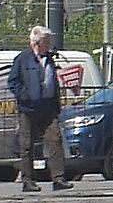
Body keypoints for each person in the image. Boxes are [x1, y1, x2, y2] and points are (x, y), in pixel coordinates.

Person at [6, 27, 72, 193]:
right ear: (37, 43)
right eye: (46, 41)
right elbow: (13, 82)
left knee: (55, 140)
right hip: (28, 108)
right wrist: (25, 95)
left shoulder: (50, 59)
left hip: (48, 107)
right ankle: (27, 180)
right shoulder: (23, 59)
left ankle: (58, 178)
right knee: (26, 144)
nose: (49, 44)